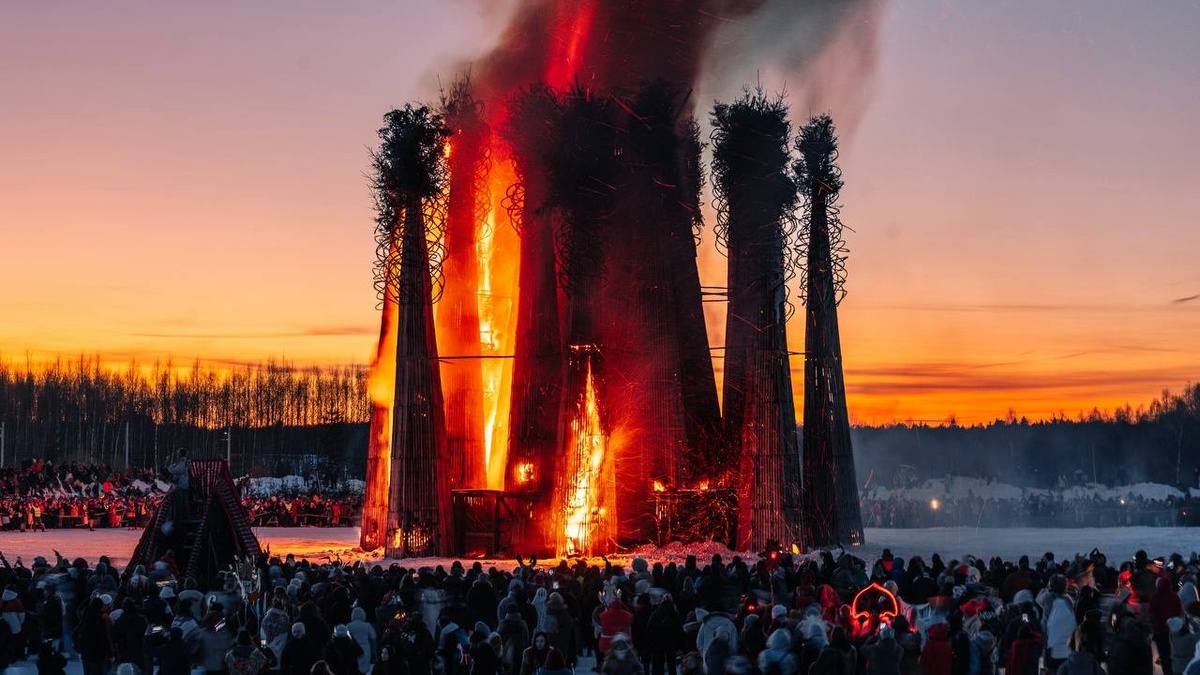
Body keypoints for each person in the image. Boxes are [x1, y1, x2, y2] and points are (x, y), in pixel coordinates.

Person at [168, 449, 191, 520]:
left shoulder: (182, 461)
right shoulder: (185, 462)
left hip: (180, 484)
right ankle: (185, 517)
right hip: (184, 484)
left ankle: (179, 518)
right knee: (184, 502)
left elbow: (178, 470)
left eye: (178, 453)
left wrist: (170, 468)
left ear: (181, 454)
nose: (177, 454)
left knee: (179, 503)